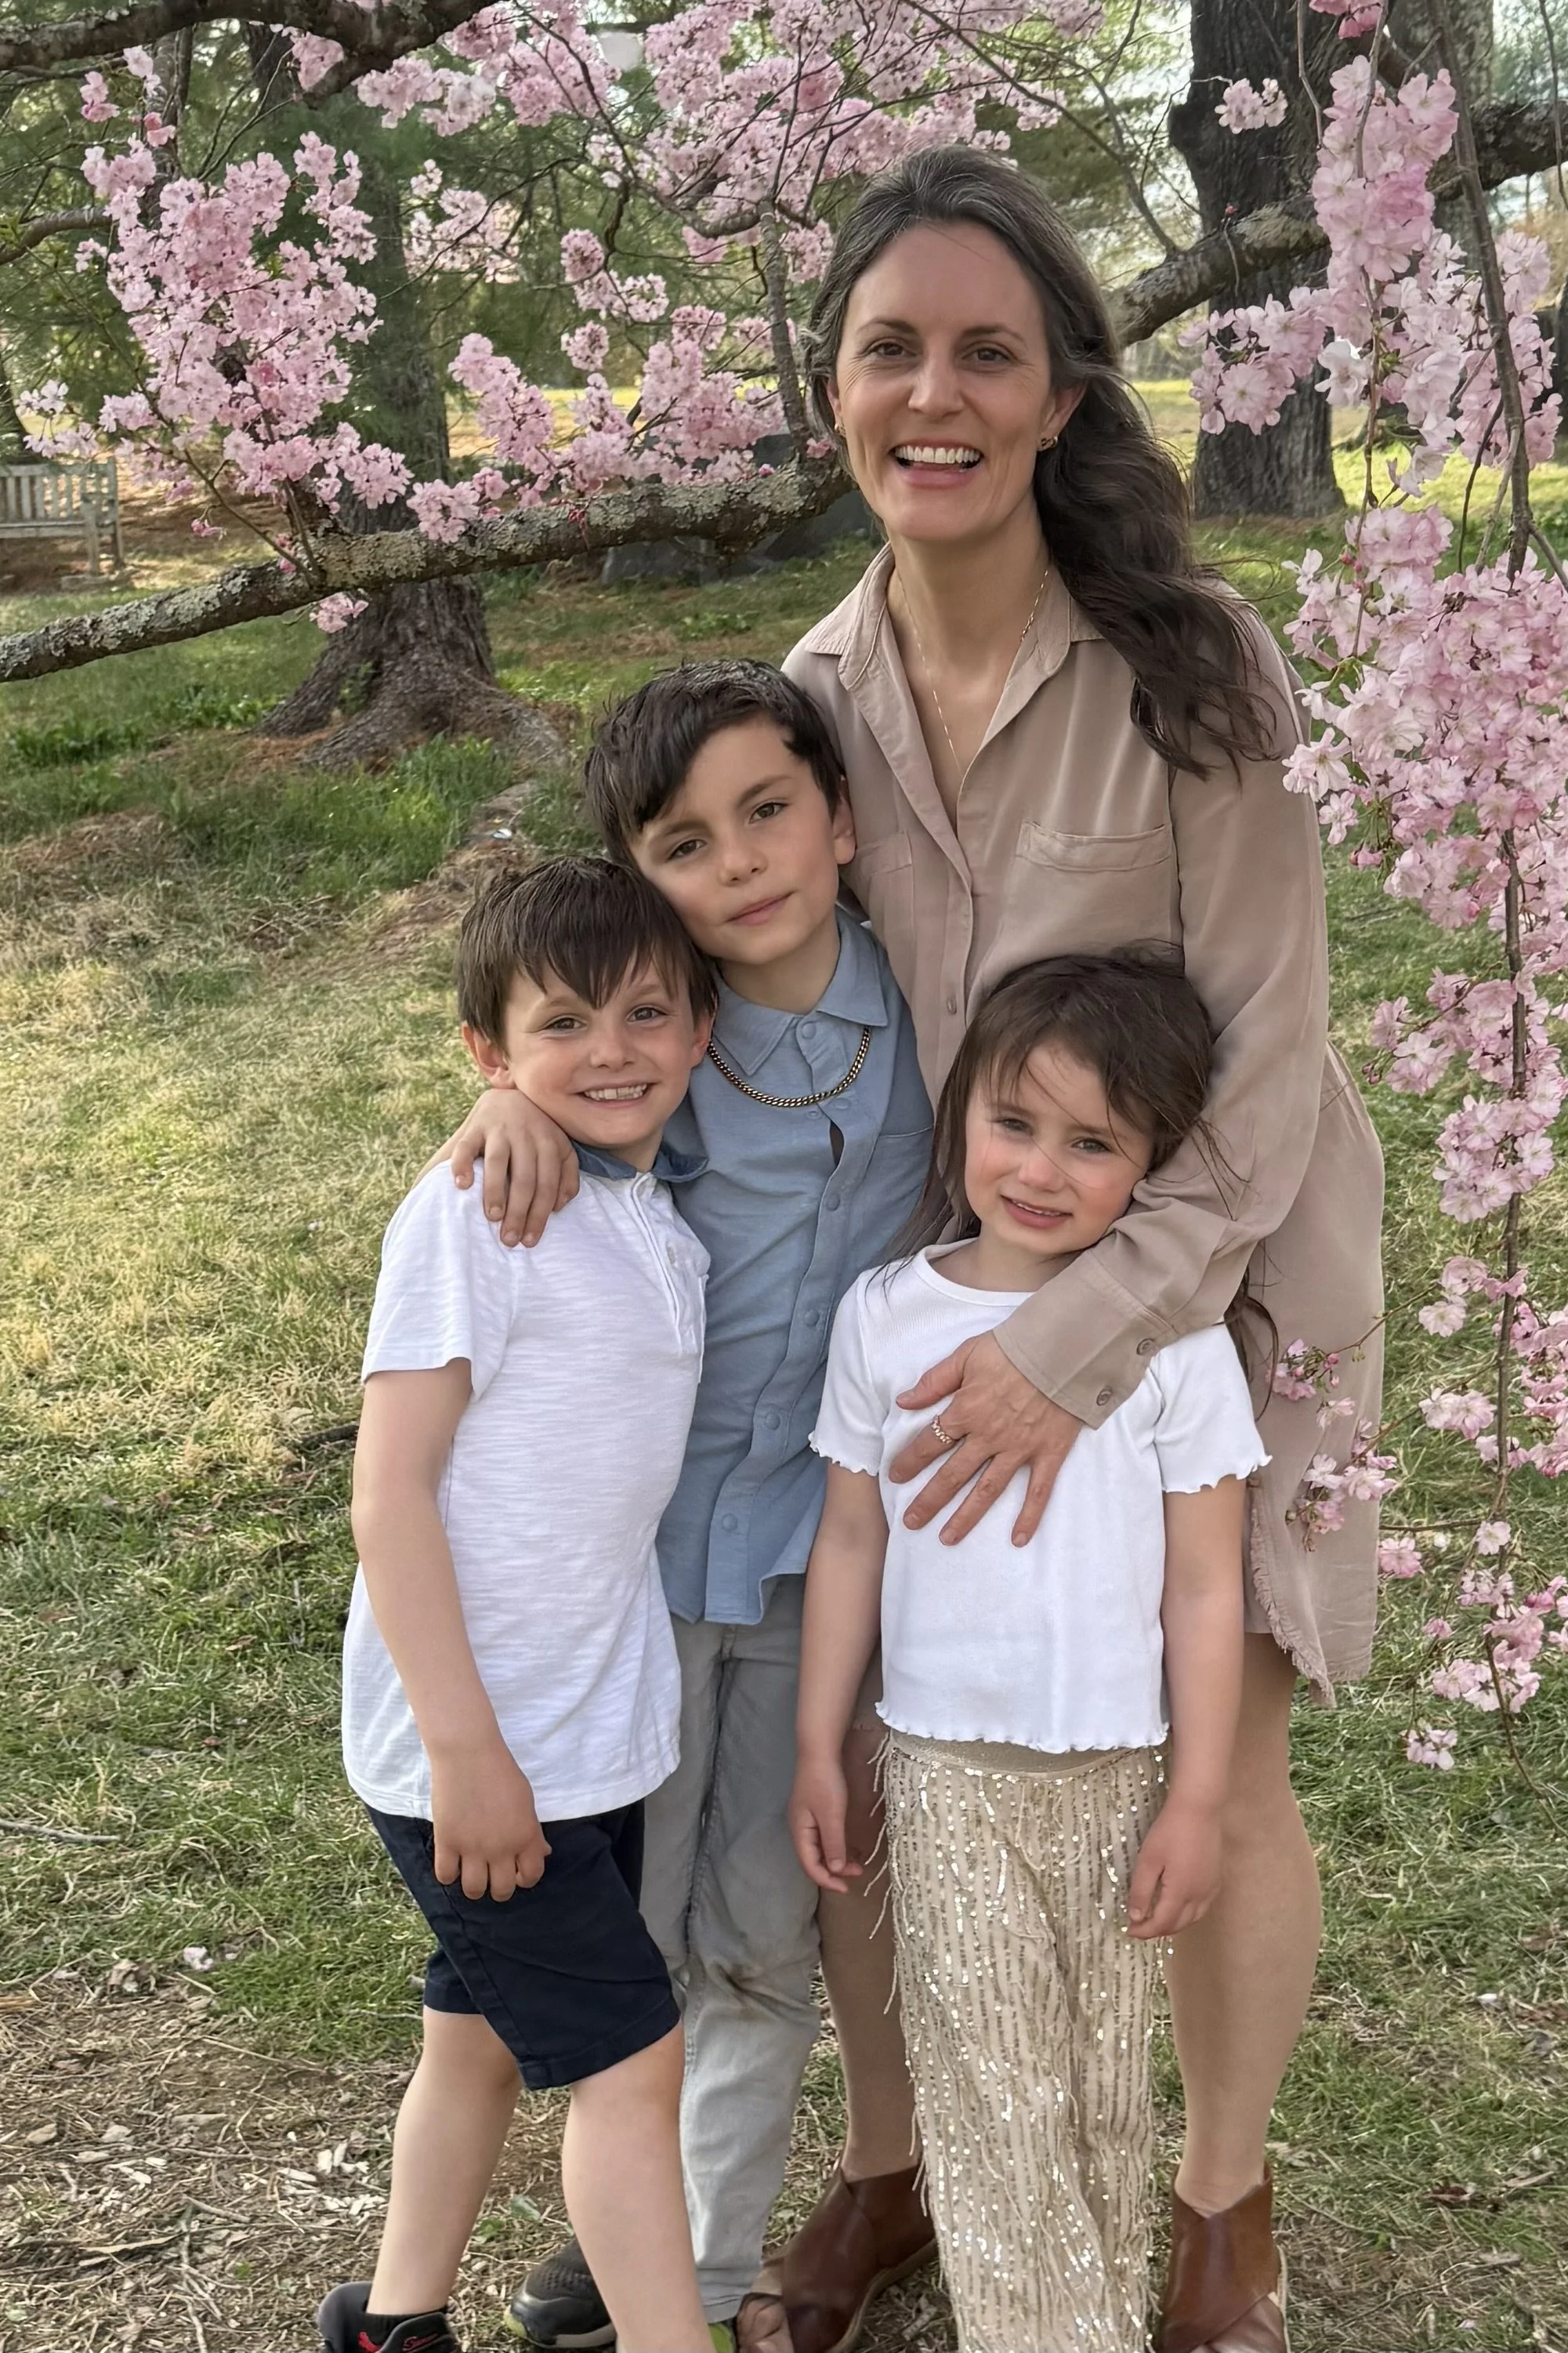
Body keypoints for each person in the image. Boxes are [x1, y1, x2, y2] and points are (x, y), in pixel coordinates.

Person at [468, 147, 1385, 2353]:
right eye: (894, 350)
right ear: (834, 397)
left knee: (1214, 1763)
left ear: (1065, 388)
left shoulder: (1196, 669)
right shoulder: (805, 697)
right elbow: (662, 968)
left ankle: (1217, 2206)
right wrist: (515, 1079)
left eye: (992, 348)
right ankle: (893, 2168)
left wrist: (1091, 1333)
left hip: (1210, 1291)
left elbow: (1267, 1057)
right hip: (919, 1323)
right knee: (875, 1760)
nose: (939, 393)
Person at [442, 664, 936, 2353]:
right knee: (628, 1943)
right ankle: (629, 2227)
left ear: (840, 818)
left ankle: (705, 2264)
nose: (738, 861)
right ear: (633, 885)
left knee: (759, 1926)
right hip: (636, 1577)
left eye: (768, 810)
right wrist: (502, 1097)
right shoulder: (636, 1065)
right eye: (682, 842)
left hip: (811, 1565)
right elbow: (545, 1069)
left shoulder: (926, 1018)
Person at [790, 953, 1268, 2353]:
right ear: (959, 1125)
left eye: (1094, 1142)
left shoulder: (1175, 1349)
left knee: (1097, 2092)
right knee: (990, 2085)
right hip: (944, 1770)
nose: (1043, 1169)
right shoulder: (888, 1314)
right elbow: (850, 1544)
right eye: (1015, 1123)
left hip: (1117, 1772)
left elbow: (1200, 1587)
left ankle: (1095, 2315)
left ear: (1153, 1166)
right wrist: (825, 1740)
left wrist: (1195, 1795)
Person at [319, 857, 718, 2353]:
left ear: (697, 1034)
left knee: (475, 2037)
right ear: (490, 1056)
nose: (611, 1048)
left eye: (646, 1011)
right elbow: (390, 1493)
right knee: (634, 2064)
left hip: (592, 1730)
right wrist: (467, 1753)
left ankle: (393, 2323)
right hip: (477, 1750)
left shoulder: (653, 1218)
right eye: (564, 1023)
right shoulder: (474, 1212)